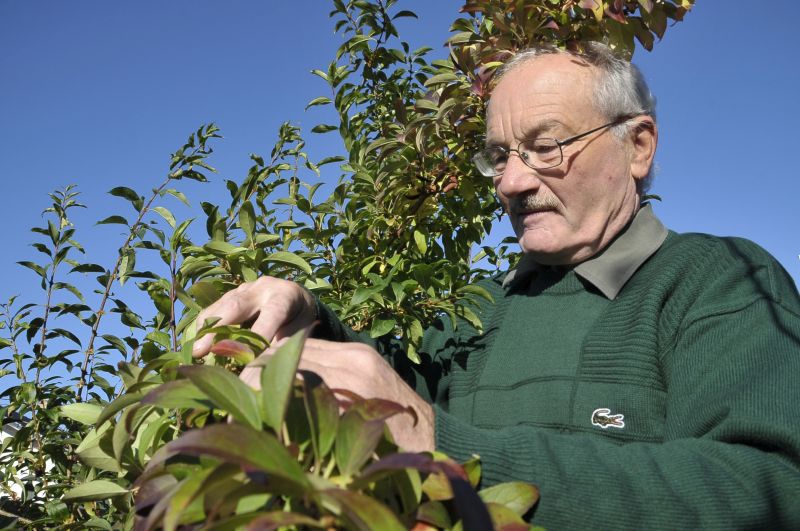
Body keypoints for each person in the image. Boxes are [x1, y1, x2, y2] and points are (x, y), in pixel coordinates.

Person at [192, 42, 800, 528]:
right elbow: (400, 391)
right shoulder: (478, 313)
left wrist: (442, 445)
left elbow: (768, 489)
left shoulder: (718, 284)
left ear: (637, 146)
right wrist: (311, 325)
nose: (510, 182)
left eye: (544, 147)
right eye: (498, 155)